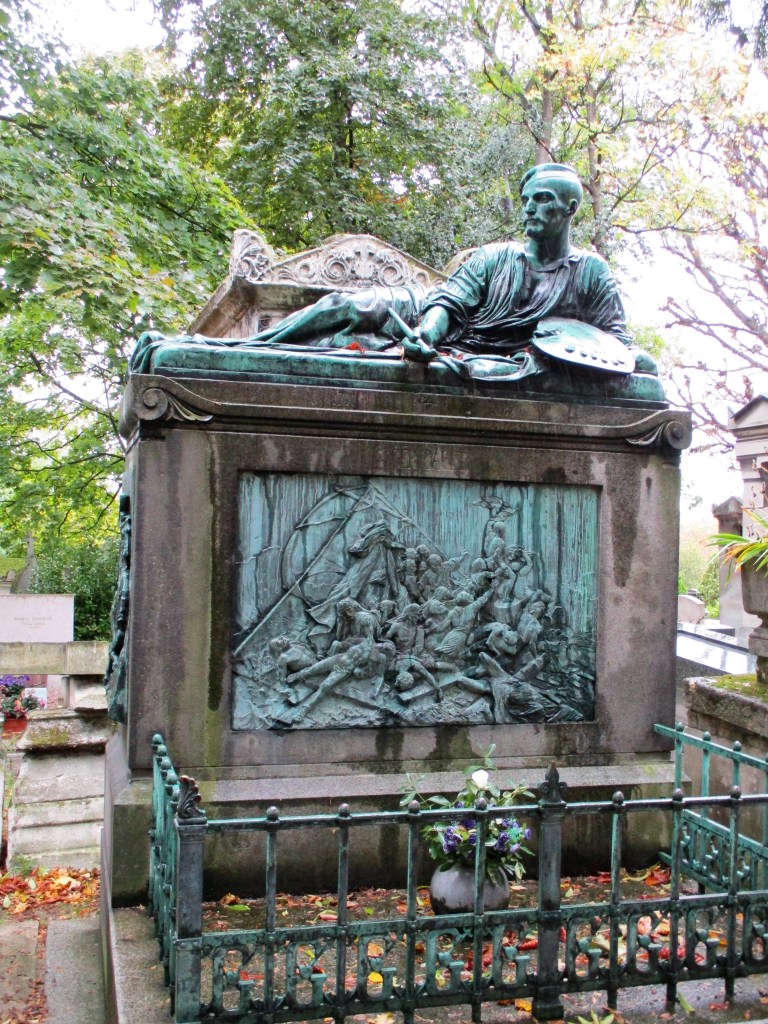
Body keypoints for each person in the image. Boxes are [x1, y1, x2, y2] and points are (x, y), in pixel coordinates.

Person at [238, 163, 656, 379]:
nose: (529, 208)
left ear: (570, 208)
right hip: (430, 317)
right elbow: (448, 302)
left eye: (542, 199)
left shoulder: (590, 273)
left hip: (480, 351)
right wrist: (426, 334)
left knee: (340, 345)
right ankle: (237, 351)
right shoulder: (496, 256)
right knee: (344, 308)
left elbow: (617, 346)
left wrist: (633, 360)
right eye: (526, 200)